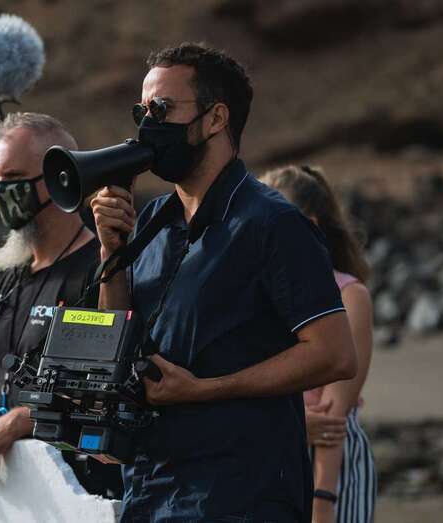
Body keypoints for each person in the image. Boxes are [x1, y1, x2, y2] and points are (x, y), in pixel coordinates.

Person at [92, 43, 358, 522]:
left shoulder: (271, 223)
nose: (147, 124)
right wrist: (111, 252)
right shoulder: (153, 220)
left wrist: (207, 389)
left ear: (216, 119)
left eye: (163, 109)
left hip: (238, 495)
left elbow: (335, 352)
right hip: (151, 489)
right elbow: (118, 332)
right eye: (142, 110)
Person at [0, 112, 123, 498]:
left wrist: (24, 418)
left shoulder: (102, 269)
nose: (2, 191)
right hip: (18, 496)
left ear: (60, 179)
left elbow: (100, 388)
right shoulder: (15, 276)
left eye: (14, 179)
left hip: (80, 494)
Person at [261, 165, 376, 523]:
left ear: (309, 225)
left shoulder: (348, 295)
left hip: (329, 465)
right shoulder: (256, 293)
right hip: (268, 450)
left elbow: (332, 416)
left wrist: (323, 500)